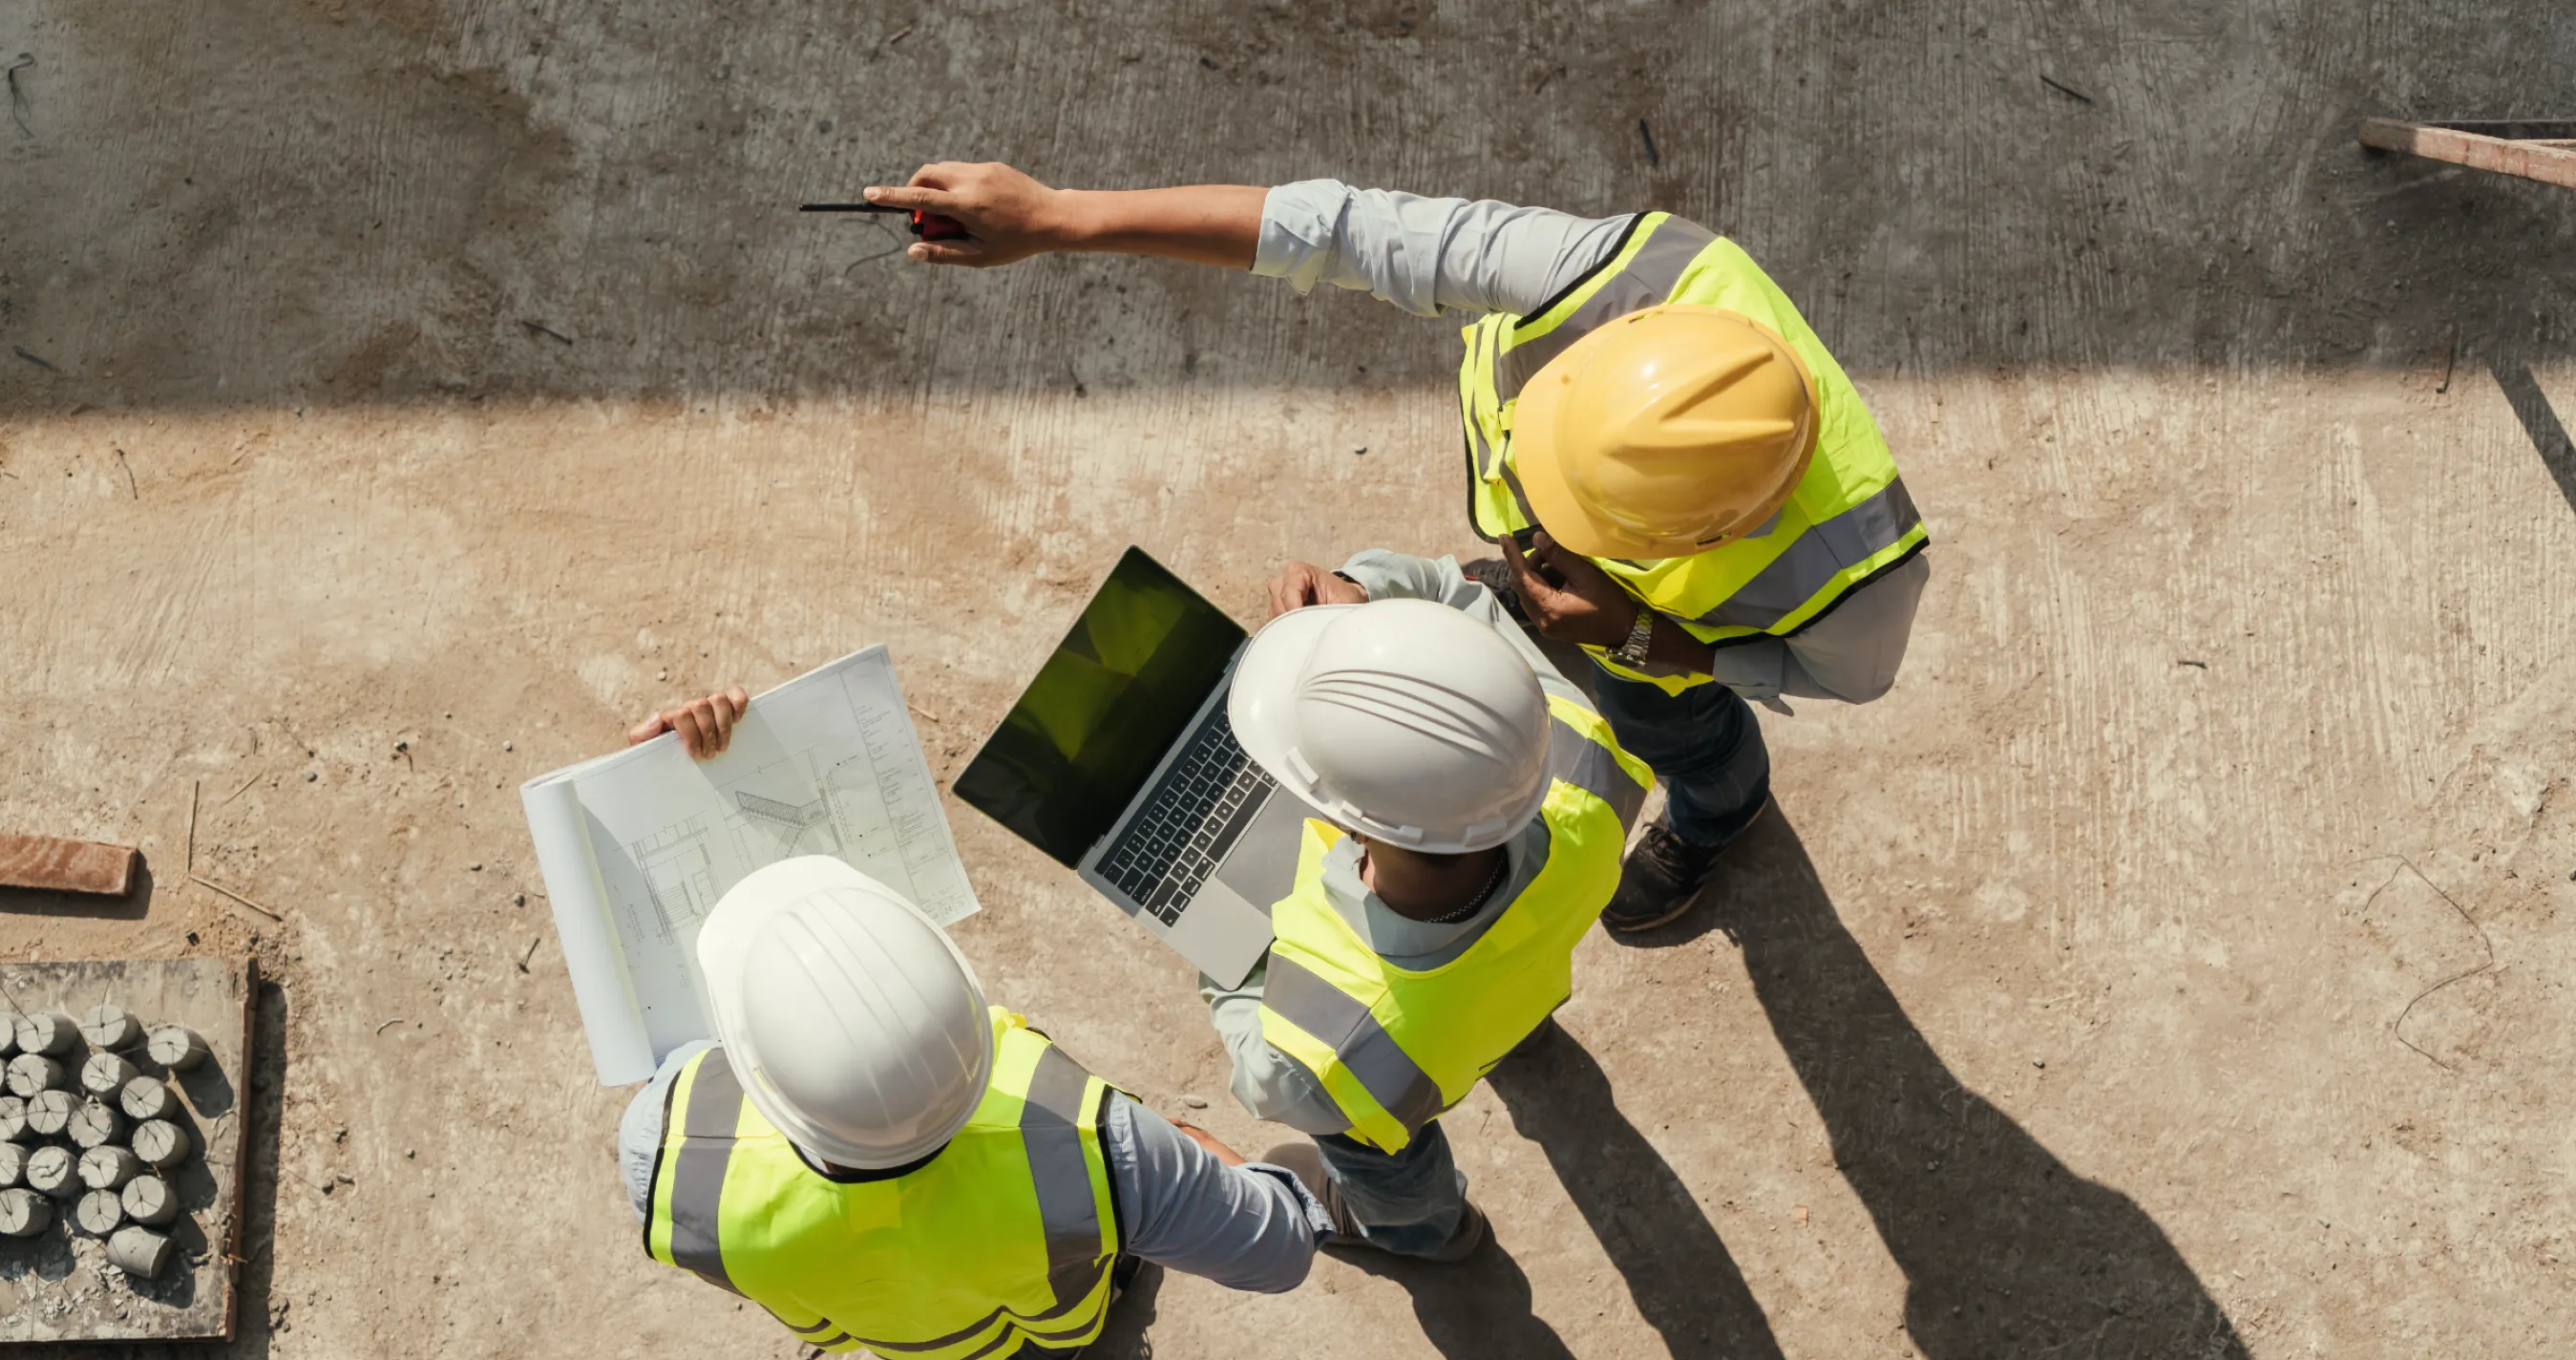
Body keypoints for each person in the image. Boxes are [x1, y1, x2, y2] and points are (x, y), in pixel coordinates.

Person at [859, 165, 1931, 933]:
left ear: (1704, 532)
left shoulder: (1861, 586)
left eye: (1571, 520)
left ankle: (1721, 806)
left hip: (1656, 647)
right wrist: (1059, 217)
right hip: (1613, 608)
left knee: (1679, 732)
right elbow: (1339, 229)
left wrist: (1656, 641)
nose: (1529, 526)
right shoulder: (1613, 273)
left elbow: (1846, 682)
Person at [618, 699, 1332, 1358]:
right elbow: (1277, 1250)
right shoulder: (1105, 1148)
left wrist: (661, 792)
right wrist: (1202, 1157)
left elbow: (677, 1041)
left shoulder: (664, 1153)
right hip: (1057, 1333)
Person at [1193, 549, 1653, 1259]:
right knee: (1498, 1002)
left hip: (1399, 1068)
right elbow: (1457, 602)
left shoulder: (1323, 1051)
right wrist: (1365, 609)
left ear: (1343, 823)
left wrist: (1220, 960)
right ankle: (1520, 1040)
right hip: (1504, 989)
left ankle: (1427, 1232)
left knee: (1380, 1156)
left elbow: (1265, 1082)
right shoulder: (1581, 756)